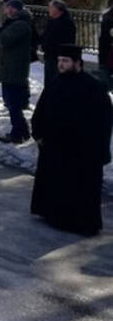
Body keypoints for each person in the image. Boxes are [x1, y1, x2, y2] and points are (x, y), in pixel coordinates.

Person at [29, 45, 113, 236]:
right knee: (55, 184)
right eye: (59, 61)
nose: (61, 65)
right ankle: (52, 215)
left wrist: (100, 150)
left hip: (83, 149)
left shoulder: (94, 88)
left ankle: (80, 224)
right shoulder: (55, 83)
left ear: (78, 63)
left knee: (80, 189)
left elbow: (104, 122)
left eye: (66, 61)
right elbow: (41, 111)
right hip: (55, 146)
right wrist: (39, 133)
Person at [0, 0, 35, 144]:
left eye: (12, 8)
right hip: (10, 69)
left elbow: (4, 39)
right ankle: (23, 132)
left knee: (13, 104)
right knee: (13, 103)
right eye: (7, 7)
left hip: (15, 70)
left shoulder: (20, 25)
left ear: (19, 9)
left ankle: (17, 134)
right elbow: (1, 35)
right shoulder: (13, 23)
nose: (9, 10)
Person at [40, 0, 77, 87]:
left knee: (57, 81)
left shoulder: (67, 23)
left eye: (51, 7)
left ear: (57, 9)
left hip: (59, 57)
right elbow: (46, 35)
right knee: (49, 81)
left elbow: (66, 41)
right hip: (49, 56)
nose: (49, 9)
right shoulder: (52, 21)